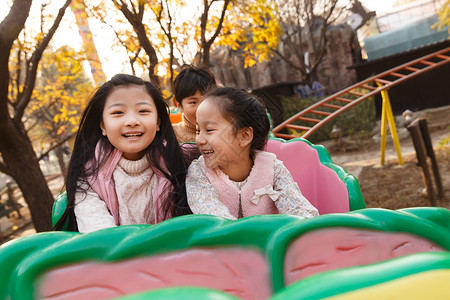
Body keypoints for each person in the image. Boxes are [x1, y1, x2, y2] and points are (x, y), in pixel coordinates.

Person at [54, 74, 191, 232]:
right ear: (103, 126)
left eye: (143, 111)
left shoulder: (181, 162)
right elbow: (102, 235)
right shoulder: (88, 178)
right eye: (118, 113)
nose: (132, 121)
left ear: (158, 121)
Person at [187, 87, 319, 220]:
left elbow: (300, 210)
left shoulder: (272, 169)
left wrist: (306, 224)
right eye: (198, 130)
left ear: (244, 136)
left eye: (209, 130)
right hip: (226, 240)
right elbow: (214, 218)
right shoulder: (199, 172)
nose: (200, 139)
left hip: (271, 239)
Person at [172, 65, 216, 143]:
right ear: (179, 105)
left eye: (205, 101)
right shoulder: (171, 135)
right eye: (193, 102)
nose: (201, 109)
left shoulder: (221, 131)